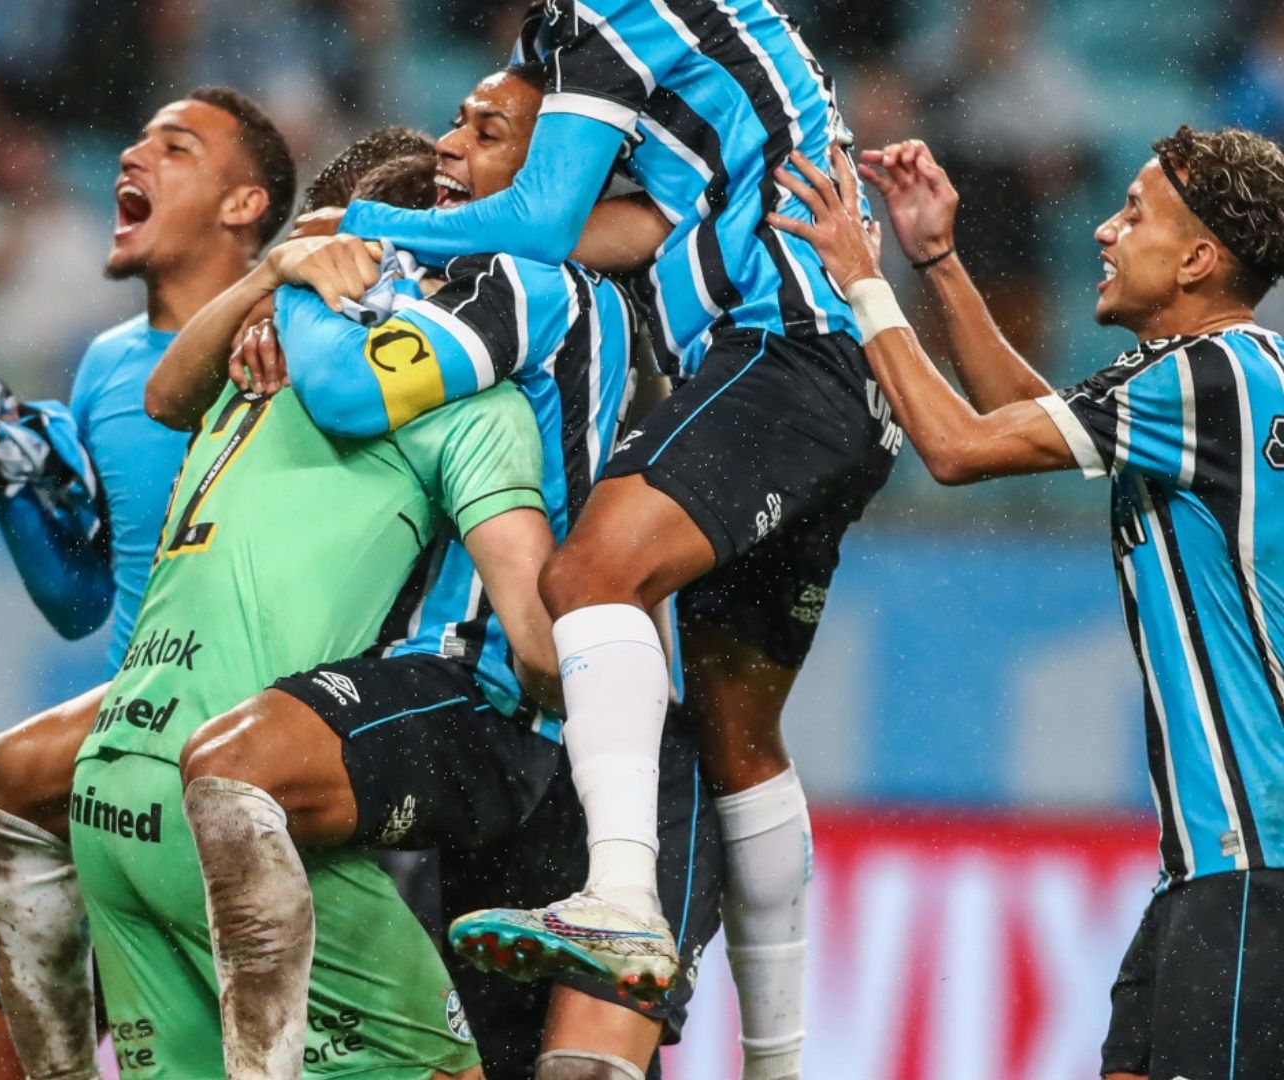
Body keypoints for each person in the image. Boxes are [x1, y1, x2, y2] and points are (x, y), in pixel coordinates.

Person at [316, 6, 894, 1078]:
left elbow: (542, 220)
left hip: (778, 347)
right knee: (739, 738)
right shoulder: (626, 43)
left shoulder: (616, 13)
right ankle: (778, 1061)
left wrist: (345, 232)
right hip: (839, 370)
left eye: (486, 130)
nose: (451, 143)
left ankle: (621, 895)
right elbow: (643, 221)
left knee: (588, 575)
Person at [153, 65, 722, 1080]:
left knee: (574, 1070)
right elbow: (174, 392)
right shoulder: (539, 293)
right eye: (456, 123)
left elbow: (345, 388)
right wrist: (289, 285)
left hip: (525, 705)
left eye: (486, 132)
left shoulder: (523, 289)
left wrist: (307, 283)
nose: (450, 145)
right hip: (551, 718)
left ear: (556, 175)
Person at [767, 127, 1284, 1080]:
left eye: (1135, 214)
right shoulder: (1221, 376)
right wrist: (937, 261)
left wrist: (863, 281)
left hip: (1255, 866)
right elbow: (1020, 419)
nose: (1104, 230)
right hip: (1211, 869)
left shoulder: (1204, 377)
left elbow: (958, 448)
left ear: (1198, 261)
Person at [66, 152, 558, 1080]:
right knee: (440, 1068)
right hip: (233, 799)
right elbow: (535, 641)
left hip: (110, 787)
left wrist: (273, 281)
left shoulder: (248, 373)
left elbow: (161, 395)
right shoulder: (472, 405)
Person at [0, 86, 296, 1080]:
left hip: (250, 773)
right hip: (120, 782)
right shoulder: (105, 366)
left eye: (175, 148)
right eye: (136, 142)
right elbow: (81, 604)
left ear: (244, 205)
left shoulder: (301, 345)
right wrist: (7, 485)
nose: (131, 160)